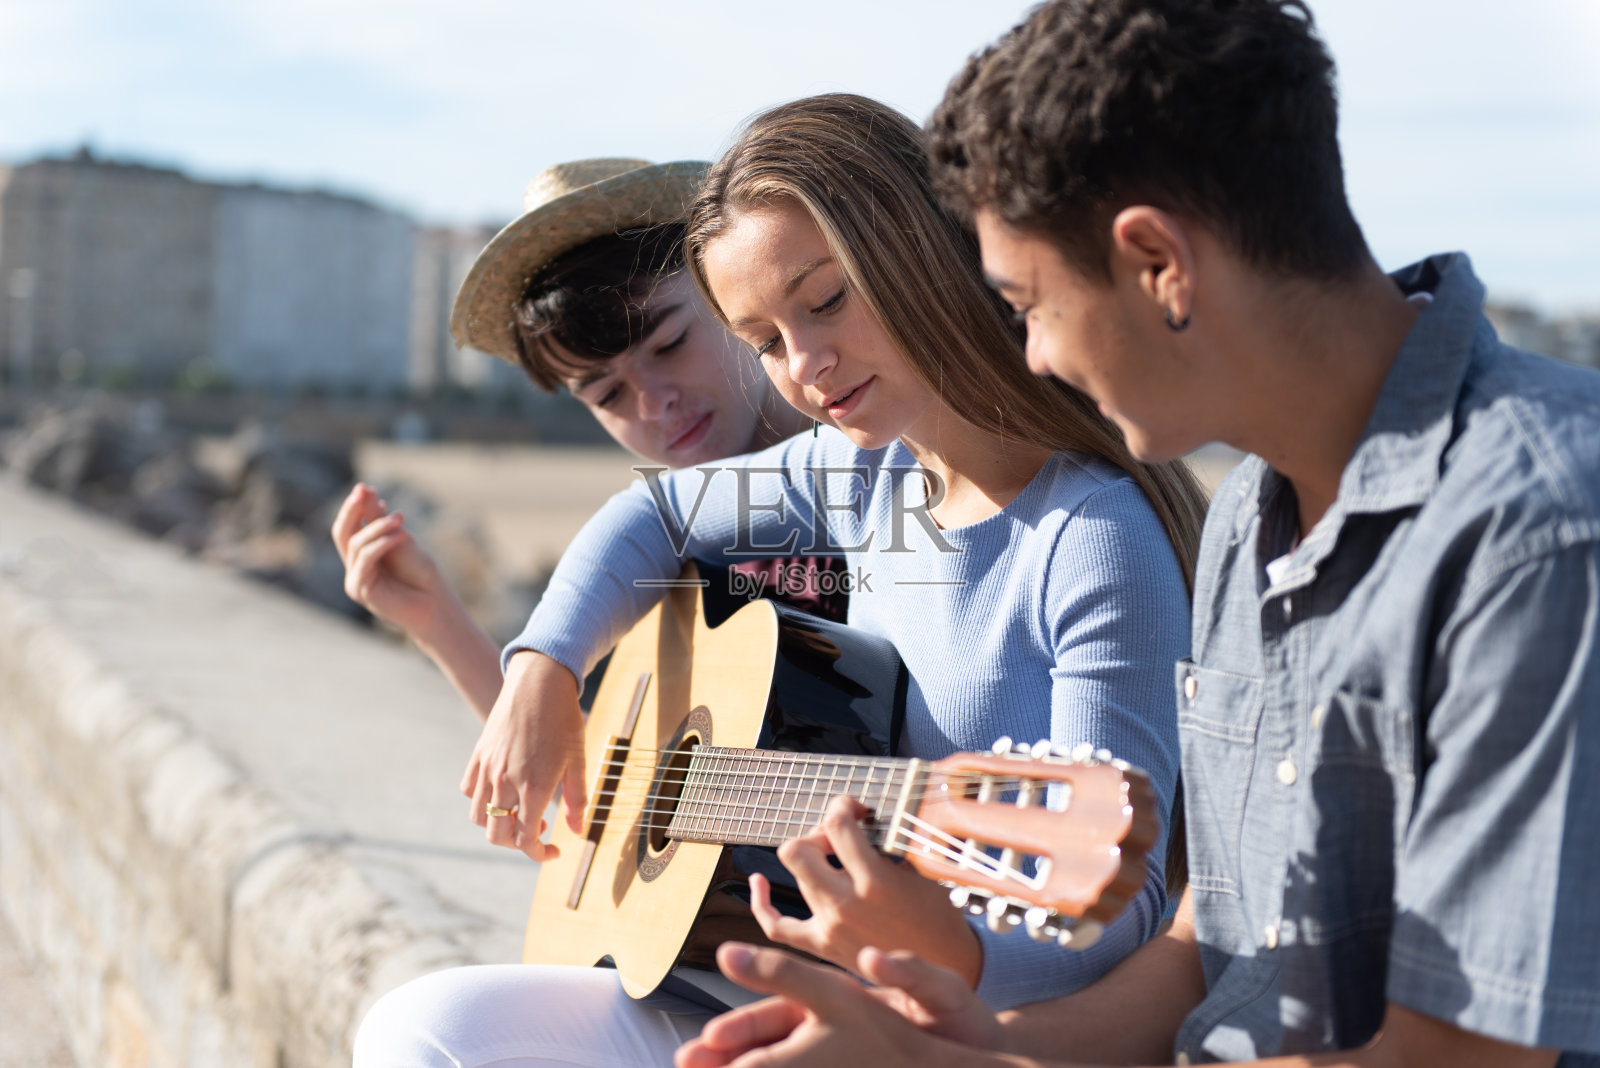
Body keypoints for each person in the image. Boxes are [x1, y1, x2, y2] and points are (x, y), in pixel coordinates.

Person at [674, 3, 1600, 1067]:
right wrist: (957, 1034)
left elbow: (1447, 1062)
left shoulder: (1535, 533)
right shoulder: (1251, 516)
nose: (1029, 359)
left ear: (1157, 261)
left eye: (1027, 303)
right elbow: (1209, 953)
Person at [353, 94, 1209, 1066]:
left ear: (919, 244)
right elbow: (652, 513)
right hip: (821, 990)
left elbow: (1121, 911)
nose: (805, 365)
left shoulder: (1089, 537)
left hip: (984, 1035)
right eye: (764, 339)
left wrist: (950, 950)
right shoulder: (859, 475)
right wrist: (539, 664)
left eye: (826, 299)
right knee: (424, 1030)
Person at [330, 158, 828, 723]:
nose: (652, 403)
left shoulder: (882, 468)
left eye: (669, 345)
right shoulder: (655, 561)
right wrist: (436, 622)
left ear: (730, 290)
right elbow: (602, 788)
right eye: (607, 394)